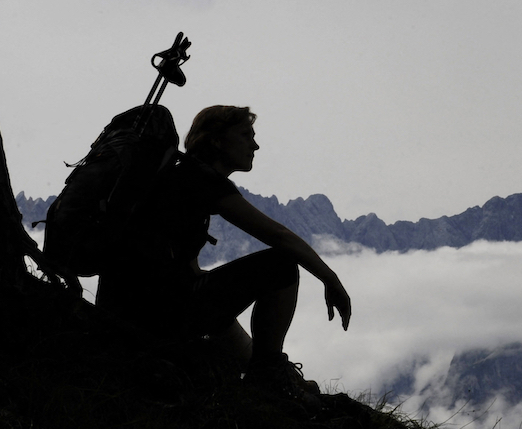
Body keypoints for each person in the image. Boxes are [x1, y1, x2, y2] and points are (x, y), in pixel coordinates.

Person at [94, 104, 353, 398]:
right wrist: (331, 279)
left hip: (134, 309)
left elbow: (187, 276)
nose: (254, 144)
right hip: (156, 315)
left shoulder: (176, 179)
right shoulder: (201, 180)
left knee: (211, 296)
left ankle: (272, 373)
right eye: (245, 135)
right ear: (216, 140)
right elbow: (280, 237)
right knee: (279, 264)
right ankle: (268, 374)